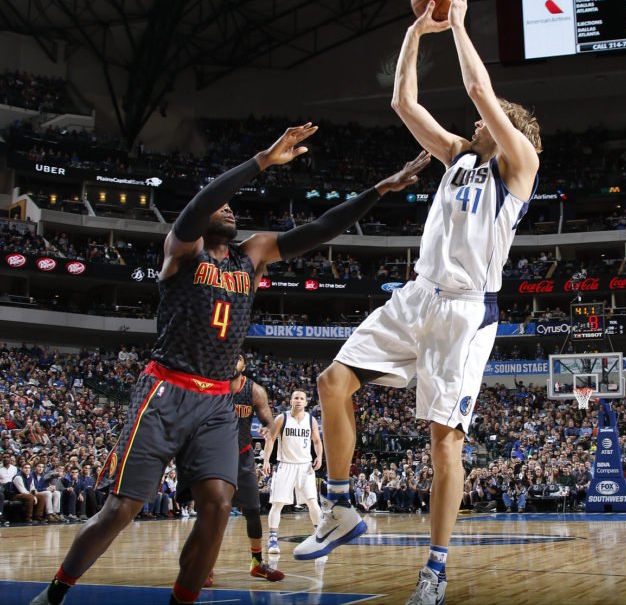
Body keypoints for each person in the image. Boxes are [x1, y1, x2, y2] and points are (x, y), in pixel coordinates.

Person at [30, 124, 431, 605]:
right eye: (221, 205)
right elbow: (200, 205)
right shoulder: (183, 251)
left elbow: (320, 230)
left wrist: (379, 190)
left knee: (220, 505)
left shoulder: (253, 254)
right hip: (166, 389)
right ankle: (55, 592)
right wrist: (260, 161)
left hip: (218, 400)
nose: (227, 209)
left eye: (232, 207)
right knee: (122, 508)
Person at [293, 0, 542, 603]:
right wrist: (418, 33)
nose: (481, 117)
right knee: (332, 382)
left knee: (443, 442)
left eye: (495, 116)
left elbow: (482, 92)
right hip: (417, 295)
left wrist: (458, 23)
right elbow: (403, 101)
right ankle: (342, 506)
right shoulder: (458, 154)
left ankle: (435, 568)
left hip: (465, 311)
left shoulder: (521, 163)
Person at [203, 354, 283, 586]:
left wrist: (269, 430)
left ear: (243, 365)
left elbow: (268, 419)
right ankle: (205, 567)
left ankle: (257, 564)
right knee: (213, 512)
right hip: (215, 455)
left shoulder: (254, 391)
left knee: (252, 510)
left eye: (236, 358)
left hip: (242, 455)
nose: (231, 362)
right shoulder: (213, 386)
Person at [263, 388, 323, 555]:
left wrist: (319, 456)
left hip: (305, 466)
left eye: (301, 398)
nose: (298, 400)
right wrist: (266, 460)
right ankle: (273, 539)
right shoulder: (282, 418)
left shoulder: (311, 420)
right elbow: (271, 439)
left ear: (306, 402)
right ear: (290, 401)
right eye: (295, 397)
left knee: (313, 502)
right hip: (286, 465)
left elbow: (317, 441)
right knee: (277, 504)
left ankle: (319, 537)